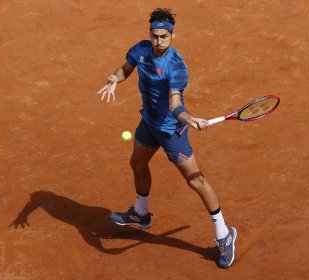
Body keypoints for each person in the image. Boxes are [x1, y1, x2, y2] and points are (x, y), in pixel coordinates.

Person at [97, 8, 237, 268]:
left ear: (173, 35)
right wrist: (115, 78)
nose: (158, 41)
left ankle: (224, 234)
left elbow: (175, 103)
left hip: (171, 129)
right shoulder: (140, 49)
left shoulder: (176, 66)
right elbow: (126, 68)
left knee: (196, 181)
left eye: (163, 36)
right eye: (154, 36)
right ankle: (141, 214)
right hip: (149, 122)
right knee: (137, 164)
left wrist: (189, 118)